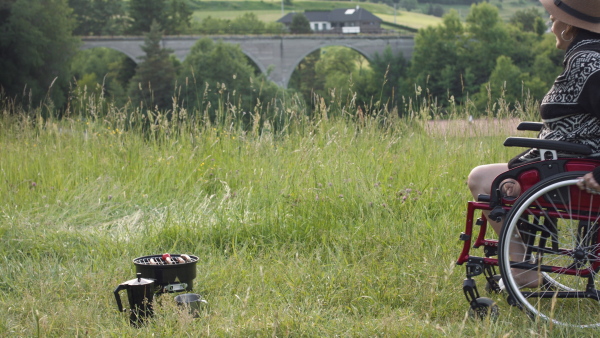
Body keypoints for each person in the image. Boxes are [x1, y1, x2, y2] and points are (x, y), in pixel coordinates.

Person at [468, 0, 600, 288]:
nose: (551, 26)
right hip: (565, 163)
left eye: (553, 19)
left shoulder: (589, 63)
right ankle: (523, 268)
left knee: (482, 179)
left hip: (571, 172)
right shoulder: (588, 57)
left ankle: (522, 272)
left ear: (568, 27)